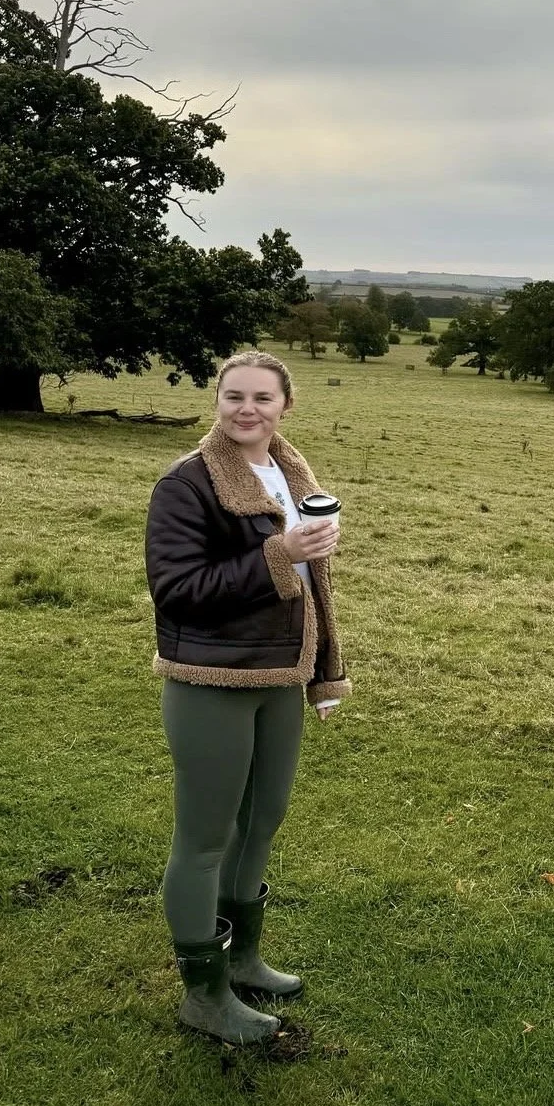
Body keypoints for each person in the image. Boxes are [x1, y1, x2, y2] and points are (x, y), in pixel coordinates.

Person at [145, 350, 351, 1043]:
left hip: (280, 682)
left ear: (284, 405)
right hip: (210, 682)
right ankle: (202, 993)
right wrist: (279, 554)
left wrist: (324, 673)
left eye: (261, 397)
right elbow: (177, 592)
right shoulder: (186, 484)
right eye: (234, 396)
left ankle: (244, 960)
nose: (246, 409)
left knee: (262, 821)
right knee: (205, 839)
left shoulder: (291, 471)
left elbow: (316, 587)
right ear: (217, 400)